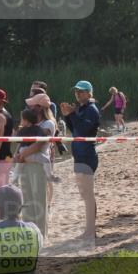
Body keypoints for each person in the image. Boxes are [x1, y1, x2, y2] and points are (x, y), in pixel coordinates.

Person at [60, 80, 101, 241]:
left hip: (87, 155)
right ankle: (89, 229)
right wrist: (68, 115)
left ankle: (91, 230)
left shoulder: (91, 109)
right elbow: (75, 130)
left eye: (81, 91)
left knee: (88, 194)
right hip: (79, 155)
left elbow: (84, 130)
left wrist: (71, 114)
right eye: (76, 91)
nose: (78, 94)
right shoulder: (83, 108)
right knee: (85, 194)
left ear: (89, 93)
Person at [10, 108, 49, 236]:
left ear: (25, 120)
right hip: (27, 165)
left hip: (34, 165)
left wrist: (21, 155)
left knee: (35, 198)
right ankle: (34, 232)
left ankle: (38, 233)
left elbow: (17, 140)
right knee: (29, 199)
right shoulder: (38, 130)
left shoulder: (32, 130)